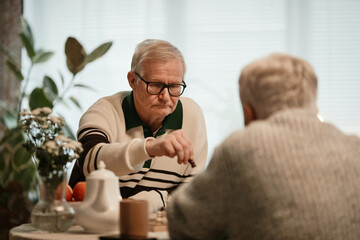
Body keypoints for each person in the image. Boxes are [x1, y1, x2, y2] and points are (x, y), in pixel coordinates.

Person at [167, 53, 360, 239]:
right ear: (313, 106)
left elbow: (183, 225)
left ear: (248, 113)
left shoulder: (241, 148)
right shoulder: (355, 147)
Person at [69, 39, 208, 213]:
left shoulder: (192, 115)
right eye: (156, 85)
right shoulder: (104, 111)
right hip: (92, 225)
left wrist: (151, 199)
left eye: (174, 86)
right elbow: (90, 161)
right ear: (132, 80)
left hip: (154, 227)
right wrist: (149, 147)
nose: (165, 96)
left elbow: (191, 194)